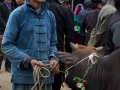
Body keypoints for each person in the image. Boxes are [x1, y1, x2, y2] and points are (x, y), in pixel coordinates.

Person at [1, 0, 60, 90]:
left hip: (46, 78)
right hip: (23, 79)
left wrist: (53, 59)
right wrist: (28, 60)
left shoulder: (50, 16)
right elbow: (6, 45)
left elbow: (53, 44)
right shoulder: (17, 14)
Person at [47, 0, 74, 90]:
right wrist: (67, 57)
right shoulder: (63, 10)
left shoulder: (37, 8)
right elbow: (70, 37)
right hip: (58, 55)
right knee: (55, 84)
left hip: (37, 56)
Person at [0, 0, 15, 72]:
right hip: (2, 29)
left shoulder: (13, 6)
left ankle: (8, 66)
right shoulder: (1, 6)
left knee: (10, 47)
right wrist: (6, 26)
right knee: (1, 48)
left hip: (11, 30)